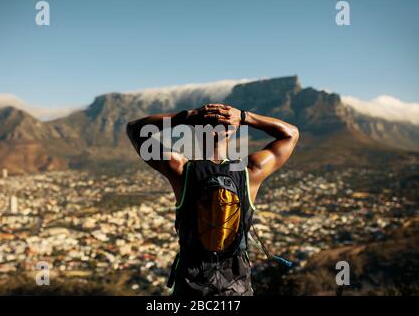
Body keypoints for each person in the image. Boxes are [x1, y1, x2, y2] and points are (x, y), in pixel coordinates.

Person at [127, 103, 299, 296]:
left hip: (191, 288)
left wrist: (188, 116)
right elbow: (291, 134)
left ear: (197, 133)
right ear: (233, 132)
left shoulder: (182, 170)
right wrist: (243, 116)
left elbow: (135, 129)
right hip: (237, 288)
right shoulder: (251, 170)